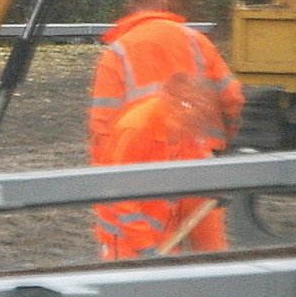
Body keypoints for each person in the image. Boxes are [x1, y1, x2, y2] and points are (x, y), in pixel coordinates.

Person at [88, 0, 244, 259]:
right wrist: (224, 144)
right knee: (213, 260)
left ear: (130, 8)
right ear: (165, 4)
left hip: (145, 174)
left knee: (146, 258)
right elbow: (232, 97)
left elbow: (103, 127)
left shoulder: (117, 53)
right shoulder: (196, 41)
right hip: (198, 165)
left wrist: (107, 185)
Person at [95, 72, 228, 259]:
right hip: (125, 241)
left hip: (164, 236)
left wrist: (214, 185)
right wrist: (144, 246)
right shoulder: (137, 128)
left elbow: (195, 159)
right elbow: (121, 195)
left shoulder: (183, 125)